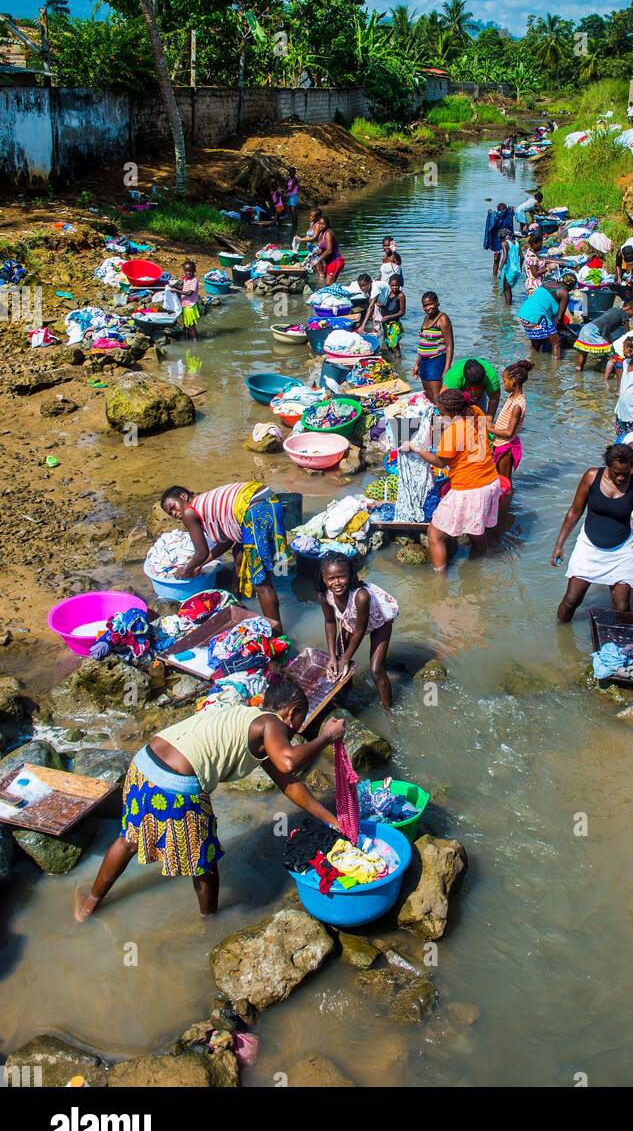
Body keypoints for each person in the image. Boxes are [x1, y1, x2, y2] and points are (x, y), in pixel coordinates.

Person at [75, 677, 345, 920]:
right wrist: (326, 737)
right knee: (205, 861)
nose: (298, 728)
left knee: (129, 840)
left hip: (144, 764)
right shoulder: (270, 723)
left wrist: (332, 820)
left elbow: (288, 783)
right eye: (301, 720)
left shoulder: (247, 720)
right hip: (175, 785)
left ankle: (88, 905)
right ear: (292, 712)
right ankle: (210, 922)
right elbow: (289, 763)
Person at [552, 442, 633, 620]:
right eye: (615, 473)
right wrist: (559, 544)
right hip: (589, 547)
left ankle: (624, 644)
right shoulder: (591, 477)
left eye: (625, 474)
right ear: (607, 466)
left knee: (622, 607)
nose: (620, 478)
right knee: (571, 600)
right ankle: (560, 639)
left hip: (621, 551)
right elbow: (574, 511)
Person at [161, 482, 289, 632]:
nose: (174, 514)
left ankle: (277, 633)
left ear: (183, 496)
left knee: (261, 583)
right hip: (269, 499)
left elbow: (200, 552)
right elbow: (228, 541)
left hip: (254, 507)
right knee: (239, 553)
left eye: (173, 507)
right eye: (170, 514)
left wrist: (186, 569)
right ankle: (237, 601)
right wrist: (200, 566)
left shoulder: (189, 513)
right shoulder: (205, 504)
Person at [402, 389, 500, 571]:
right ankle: (482, 560)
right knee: (475, 528)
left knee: (434, 534)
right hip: (490, 480)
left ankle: (439, 583)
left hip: (469, 488)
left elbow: (439, 462)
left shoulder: (453, 432)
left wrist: (415, 447)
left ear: (453, 412)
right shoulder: (475, 412)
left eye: (442, 413)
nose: (440, 415)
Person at [318, 553, 399, 712]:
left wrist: (345, 659)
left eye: (342, 577)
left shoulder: (361, 596)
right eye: (331, 579)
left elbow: (360, 631)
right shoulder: (324, 596)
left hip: (379, 621)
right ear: (323, 578)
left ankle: (389, 710)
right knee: (339, 660)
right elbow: (329, 623)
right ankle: (346, 693)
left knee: (376, 670)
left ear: (351, 575)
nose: (337, 583)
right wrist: (333, 657)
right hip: (352, 619)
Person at [517, 273, 576, 360]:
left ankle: (532, 364)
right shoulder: (564, 293)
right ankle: (554, 371)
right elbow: (559, 319)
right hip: (537, 317)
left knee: (536, 345)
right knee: (556, 342)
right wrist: (566, 331)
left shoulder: (548, 282)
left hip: (524, 315)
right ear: (570, 286)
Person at [574, 296, 633, 371]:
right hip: (593, 331)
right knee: (612, 352)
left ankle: (578, 374)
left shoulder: (613, 309)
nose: (632, 316)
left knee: (583, 352)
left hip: (586, 327)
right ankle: (608, 374)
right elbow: (628, 333)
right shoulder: (624, 314)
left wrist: (610, 341)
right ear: (630, 308)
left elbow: (607, 328)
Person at [492, 360, 531, 479]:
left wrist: (489, 429)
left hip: (506, 447)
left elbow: (509, 432)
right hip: (499, 443)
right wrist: (495, 427)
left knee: (505, 482)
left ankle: (509, 497)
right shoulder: (511, 397)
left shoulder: (517, 405)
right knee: (497, 478)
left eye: (504, 381)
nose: (503, 384)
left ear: (513, 381)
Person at [413, 291, 454, 404]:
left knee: (437, 397)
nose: (428, 308)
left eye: (430, 304)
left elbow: (450, 346)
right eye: (425, 305)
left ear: (437, 303)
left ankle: (441, 420)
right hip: (424, 362)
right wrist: (417, 364)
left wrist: (446, 369)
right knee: (428, 395)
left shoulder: (442, 319)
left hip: (436, 361)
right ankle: (432, 418)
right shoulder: (427, 317)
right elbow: (423, 342)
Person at [362, 273, 405, 355]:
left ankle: (398, 363)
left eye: (396, 285)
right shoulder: (388, 294)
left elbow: (402, 312)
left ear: (400, 285)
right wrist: (380, 305)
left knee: (395, 347)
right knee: (388, 345)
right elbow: (386, 305)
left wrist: (388, 317)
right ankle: (394, 363)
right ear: (389, 285)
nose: (394, 287)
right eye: (392, 285)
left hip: (394, 324)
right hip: (386, 324)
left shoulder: (401, 296)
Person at [173, 260, 200, 341]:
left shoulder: (194, 280)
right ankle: (189, 339)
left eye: (190, 271)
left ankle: (195, 342)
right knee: (187, 325)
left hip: (190, 306)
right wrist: (175, 287)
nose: (188, 273)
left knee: (191, 326)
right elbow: (185, 289)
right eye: (186, 271)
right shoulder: (186, 279)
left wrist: (176, 291)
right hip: (186, 305)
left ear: (194, 271)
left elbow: (189, 293)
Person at [311, 217, 344, 283]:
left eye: (323, 224)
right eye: (320, 224)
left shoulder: (328, 233)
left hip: (336, 261)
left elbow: (329, 251)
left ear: (328, 225)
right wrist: (314, 253)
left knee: (329, 283)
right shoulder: (321, 234)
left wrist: (317, 260)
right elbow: (322, 250)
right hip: (329, 262)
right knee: (327, 283)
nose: (321, 226)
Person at [498, 230, 523, 306]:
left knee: (506, 290)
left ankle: (507, 308)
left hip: (509, 269)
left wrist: (499, 269)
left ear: (502, 238)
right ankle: (509, 305)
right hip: (517, 269)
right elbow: (522, 257)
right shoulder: (517, 243)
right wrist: (520, 268)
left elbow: (505, 257)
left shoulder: (504, 243)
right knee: (509, 289)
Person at [284, 166, 300, 236]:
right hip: (290, 196)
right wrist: (285, 191)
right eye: (290, 172)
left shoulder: (295, 179)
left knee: (294, 211)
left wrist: (285, 191)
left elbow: (292, 188)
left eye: (293, 172)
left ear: (295, 173)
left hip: (293, 196)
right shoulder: (289, 179)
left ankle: (295, 224)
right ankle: (293, 223)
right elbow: (287, 187)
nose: (291, 173)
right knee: (290, 210)